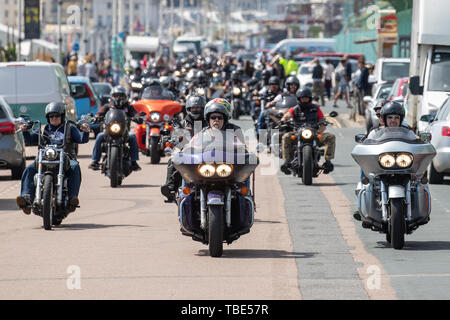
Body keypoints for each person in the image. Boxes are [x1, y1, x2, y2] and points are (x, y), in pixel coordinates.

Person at [16, 102, 90, 215]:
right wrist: (26, 131)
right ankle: (26, 199)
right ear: (48, 117)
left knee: (75, 166)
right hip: (45, 158)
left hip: (65, 158)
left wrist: (85, 131)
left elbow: (82, 139)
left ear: (62, 116)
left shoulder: (69, 128)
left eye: (57, 115)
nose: (54, 118)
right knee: (29, 168)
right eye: (51, 116)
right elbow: (30, 141)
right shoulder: (44, 129)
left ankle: (72, 198)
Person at [160, 94, 208, 202]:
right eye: (193, 108)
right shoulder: (181, 123)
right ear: (188, 109)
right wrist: (170, 139)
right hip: (188, 153)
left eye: (198, 108)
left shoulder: (208, 123)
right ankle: (171, 188)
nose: (196, 110)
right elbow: (175, 134)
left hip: (206, 153)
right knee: (173, 160)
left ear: (203, 109)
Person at [279, 88, 336, 175]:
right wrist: (283, 120)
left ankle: (328, 161)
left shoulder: (316, 109)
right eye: (302, 98)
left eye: (306, 98)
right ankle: (287, 161)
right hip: (298, 133)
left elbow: (322, 120)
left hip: (314, 134)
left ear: (310, 98)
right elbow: (287, 115)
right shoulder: (295, 109)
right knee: (286, 136)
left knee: (330, 136)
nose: (304, 100)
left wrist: (320, 129)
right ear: (299, 99)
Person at [88, 86, 141, 171]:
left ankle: (134, 162)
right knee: (99, 136)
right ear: (112, 96)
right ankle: (95, 161)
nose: (118, 98)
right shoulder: (108, 106)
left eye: (121, 96)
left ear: (125, 96)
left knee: (133, 136)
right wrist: (96, 117)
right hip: (109, 132)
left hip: (125, 132)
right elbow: (99, 113)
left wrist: (137, 117)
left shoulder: (128, 107)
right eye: (116, 95)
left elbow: (135, 114)